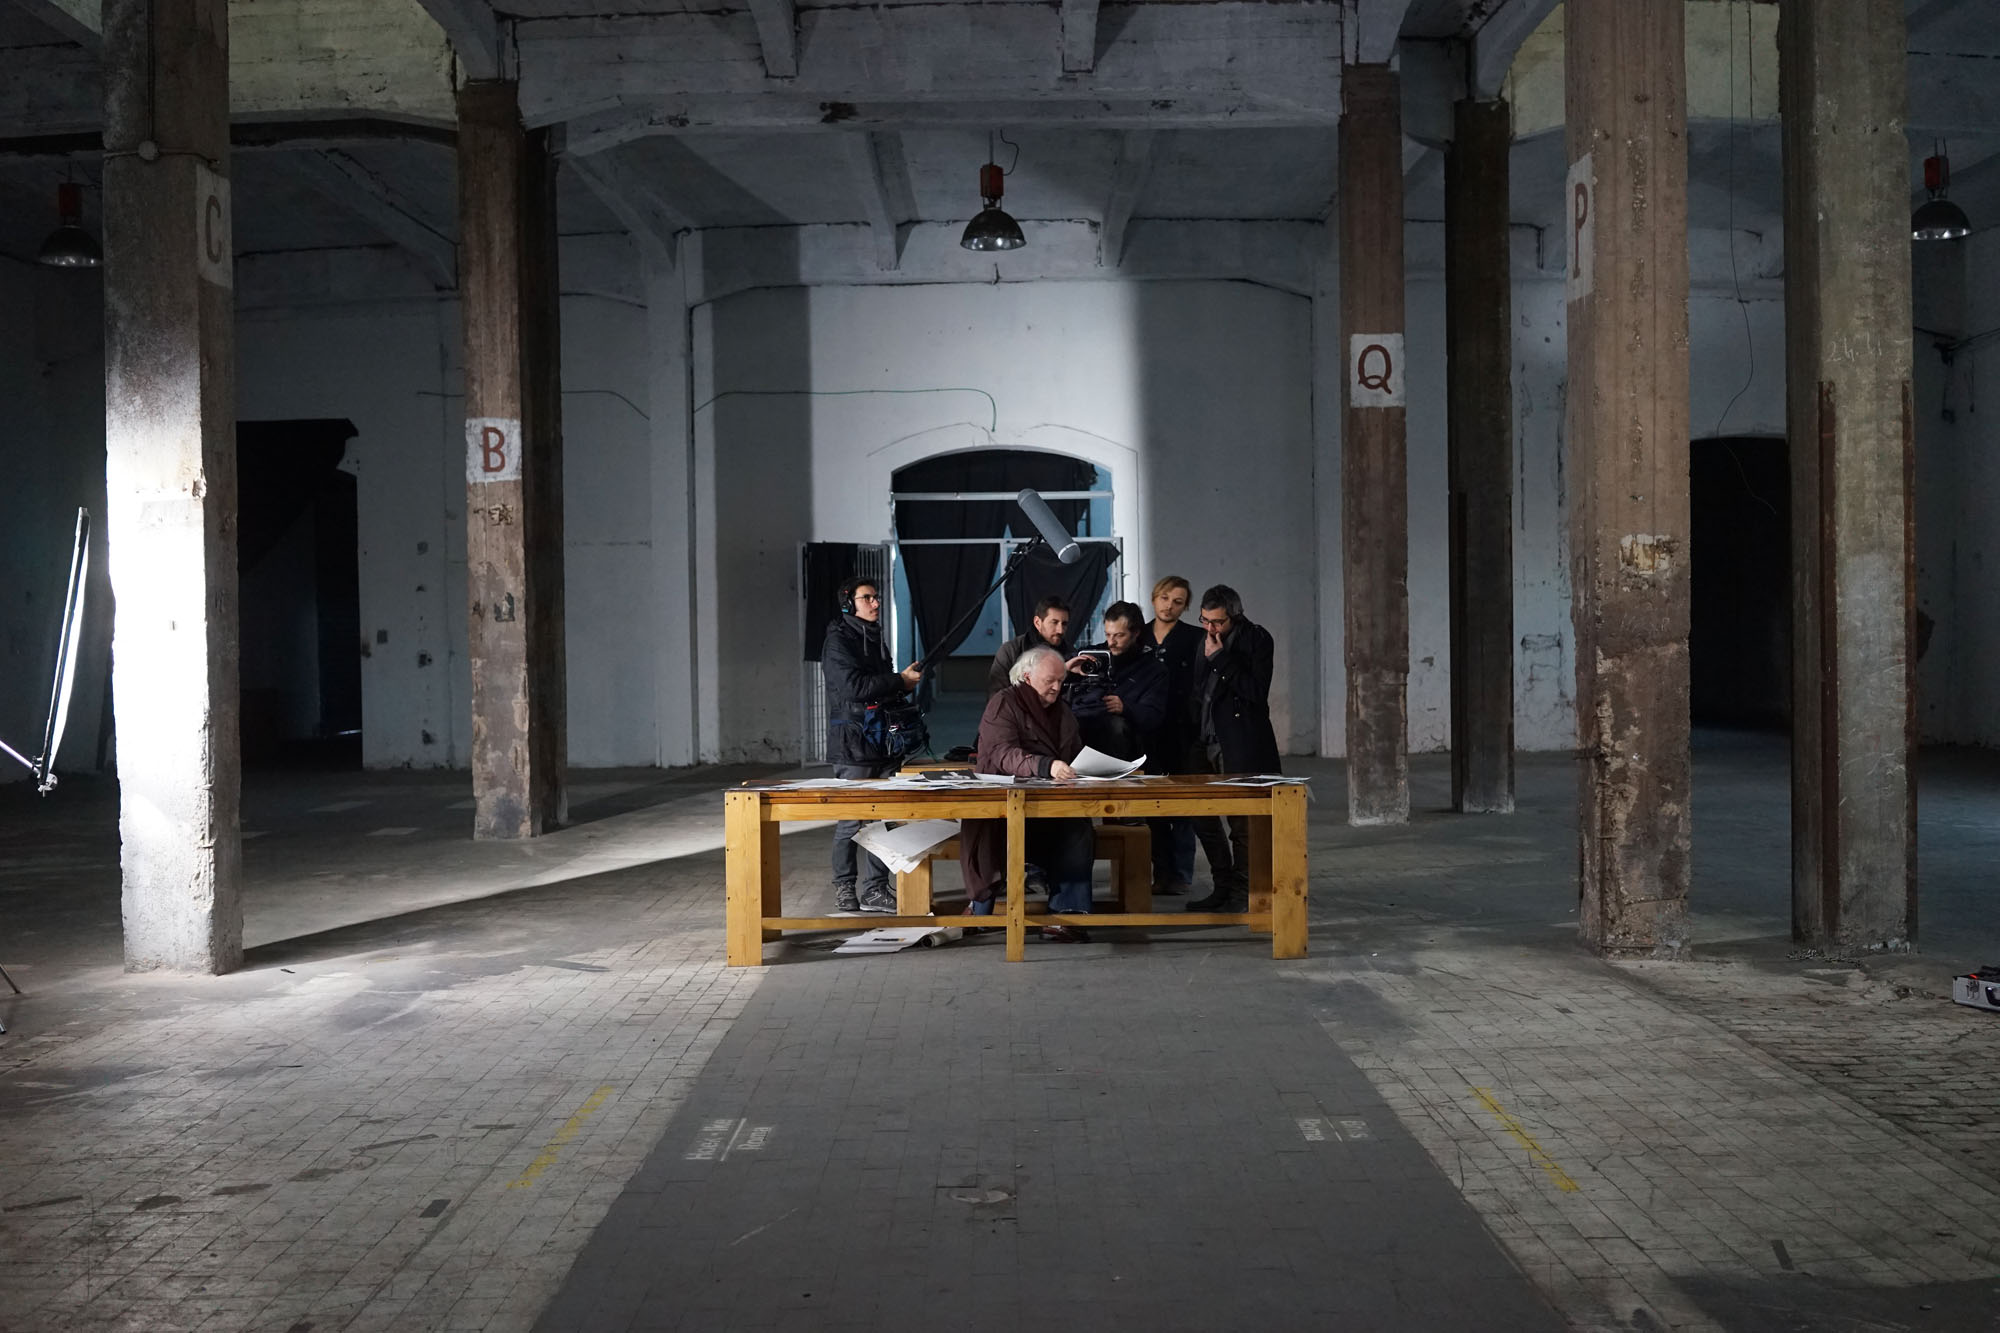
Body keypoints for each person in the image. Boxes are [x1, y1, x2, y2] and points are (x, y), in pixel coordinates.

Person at [960, 646, 1095, 942]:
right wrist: (1046, 766)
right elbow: (1002, 753)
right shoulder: (1003, 703)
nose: (1056, 687)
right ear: (1027, 677)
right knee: (991, 836)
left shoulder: (1062, 711)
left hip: (1049, 807)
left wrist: (1091, 768)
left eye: (1060, 681)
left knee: (1078, 827)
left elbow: (1074, 751)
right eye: (1050, 681)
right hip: (1001, 810)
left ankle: (1067, 914)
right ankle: (979, 909)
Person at [822, 576, 924, 913]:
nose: (876, 603)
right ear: (848, 603)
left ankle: (876, 889)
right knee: (851, 820)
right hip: (853, 746)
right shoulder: (838, 641)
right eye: (867, 598)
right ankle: (844, 888)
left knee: (885, 819)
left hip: (882, 743)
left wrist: (902, 685)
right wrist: (898, 680)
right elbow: (853, 687)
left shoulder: (874, 636)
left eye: (876, 597)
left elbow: (880, 687)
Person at [1185, 584, 1280, 913]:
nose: (1211, 628)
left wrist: (1220, 658)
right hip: (1204, 741)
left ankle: (1242, 893)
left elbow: (1255, 692)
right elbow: (1199, 691)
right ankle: (1222, 885)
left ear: (1235, 617)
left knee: (1242, 823)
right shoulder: (1203, 640)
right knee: (1202, 817)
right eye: (1205, 620)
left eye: (1218, 622)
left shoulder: (1257, 639)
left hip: (1238, 743)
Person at [1143, 575, 1205, 896]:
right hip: (1146, 732)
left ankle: (1181, 874)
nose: (1169, 606)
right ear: (1154, 598)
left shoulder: (1195, 638)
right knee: (1151, 805)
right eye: (1165, 598)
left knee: (1183, 804)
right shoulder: (1137, 635)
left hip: (1183, 731)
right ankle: (1160, 872)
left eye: (1178, 602)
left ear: (1186, 607)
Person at [1065, 601, 1167, 764]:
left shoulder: (1153, 669)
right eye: (1107, 634)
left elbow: (1154, 716)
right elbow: (1047, 681)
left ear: (1136, 633)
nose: (1111, 642)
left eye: (1119, 635)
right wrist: (1066, 670)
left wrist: (1125, 708)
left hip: (1124, 744)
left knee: (1116, 726)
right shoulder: (1090, 656)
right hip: (1078, 728)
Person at [986, 596, 1072, 696]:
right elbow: (997, 697)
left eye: (1064, 624)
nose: (1060, 630)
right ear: (1037, 622)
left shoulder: (1071, 654)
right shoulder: (1011, 651)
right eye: (1054, 622)